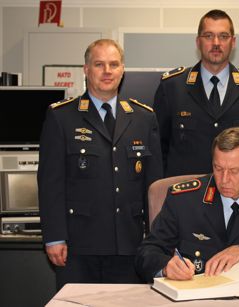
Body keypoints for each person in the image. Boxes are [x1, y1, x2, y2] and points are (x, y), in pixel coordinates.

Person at [38, 39, 163, 289]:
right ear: (86, 70)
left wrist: (159, 241)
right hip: (78, 245)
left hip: (130, 245)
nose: (107, 71)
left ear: (122, 70)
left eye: (114, 64)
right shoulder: (62, 116)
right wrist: (54, 238)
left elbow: (154, 185)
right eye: (99, 64)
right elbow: (51, 183)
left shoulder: (143, 117)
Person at [135, 127, 239, 282]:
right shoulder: (183, 199)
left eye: (233, 171)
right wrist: (166, 267)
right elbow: (147, 252)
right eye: (218, 168)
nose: (224, 179)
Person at [154, 9, 239, 177]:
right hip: (186, 196)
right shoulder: (172, 87)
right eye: (208, 36)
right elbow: (158, 148)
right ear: (198, 42)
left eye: (223, 36)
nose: (216, 43)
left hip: (237, 196)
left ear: (233, 42)